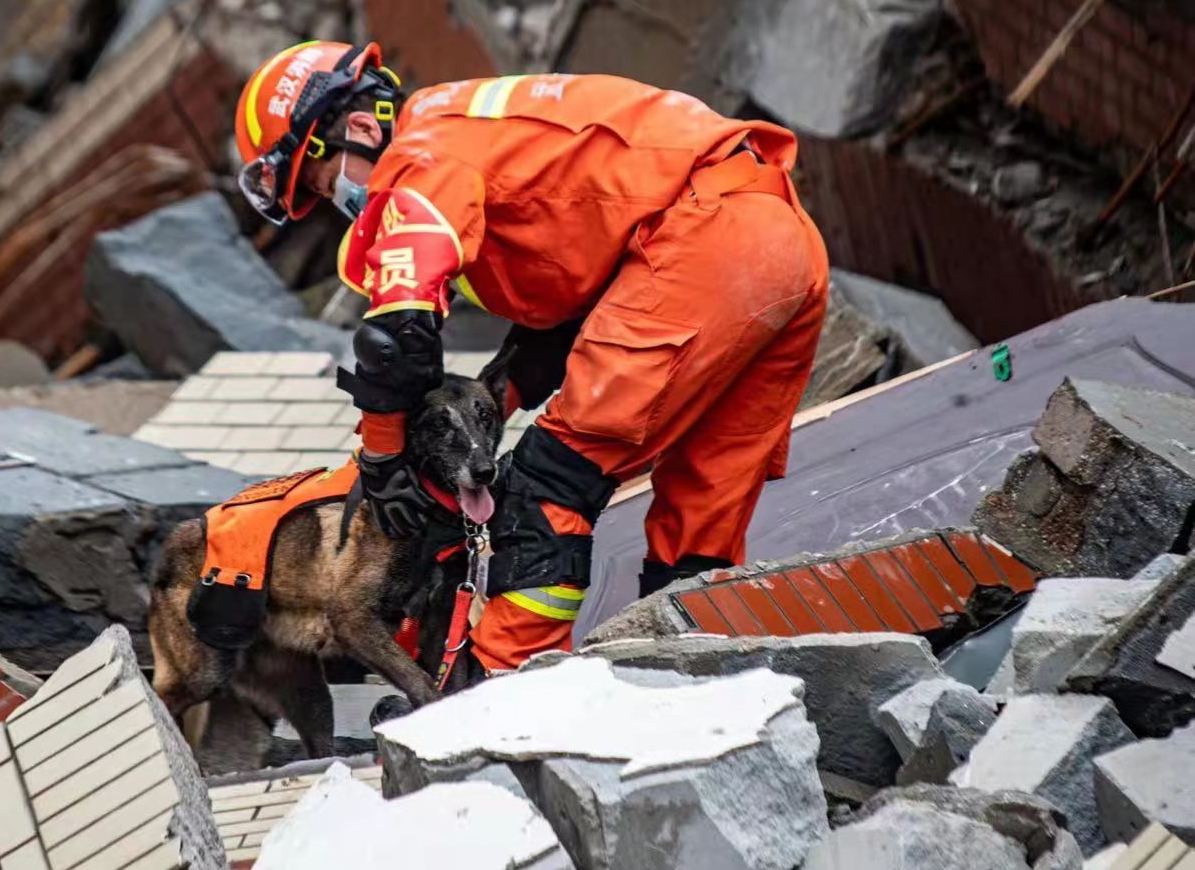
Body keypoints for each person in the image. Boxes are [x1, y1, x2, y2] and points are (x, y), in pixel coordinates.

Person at [233, 40, 830, 678]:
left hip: (705, 240)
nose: (337, 202)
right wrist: (482, 411)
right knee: (698, 518)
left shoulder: (419, 156)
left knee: (549, 486)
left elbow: (397, 330)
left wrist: (383, 455)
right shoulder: (474, 129)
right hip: (778, 242)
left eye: (324, 183)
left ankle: (499, 695)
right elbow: (572, 319)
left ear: (357, 127)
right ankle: (694, 684)